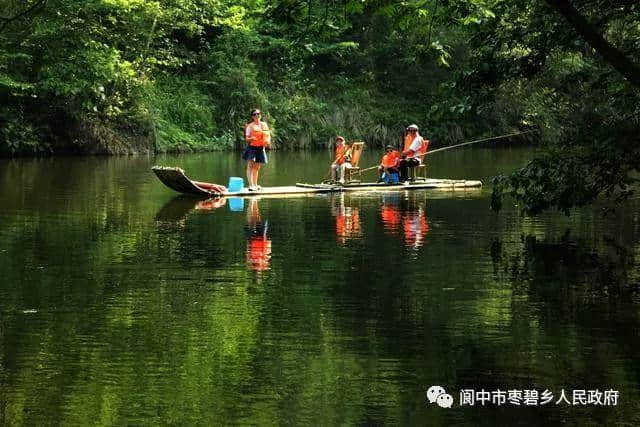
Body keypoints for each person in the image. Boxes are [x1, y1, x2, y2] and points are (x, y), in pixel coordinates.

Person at [243, 109, 271, 191]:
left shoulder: (264, 125)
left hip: (261, 148)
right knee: (250, 166)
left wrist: (267, 141)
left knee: (257, 167)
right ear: (252, 116)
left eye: (258, 114)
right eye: (255, 114)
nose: (257, 115)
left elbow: (267, 135)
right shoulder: (250, 126)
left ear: (260, 115)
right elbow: (247, 138)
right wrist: (251, 138)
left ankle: (255, 184)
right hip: (252, 148)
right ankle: (251, 185)